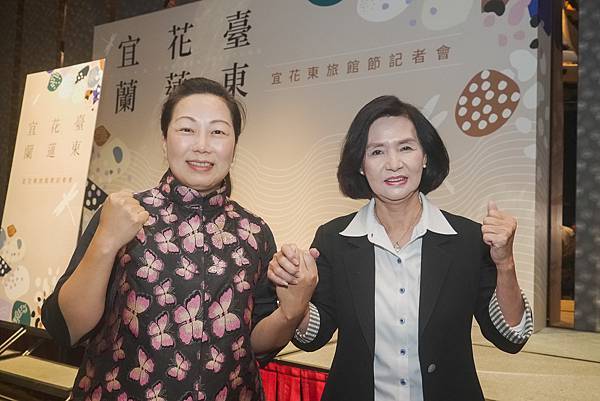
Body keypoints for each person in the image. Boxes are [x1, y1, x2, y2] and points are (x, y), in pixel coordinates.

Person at [42, 77, 317, 401]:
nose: (202, 145)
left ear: (234, 146)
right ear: (164, 140)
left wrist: (290, 312)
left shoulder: (253, 232)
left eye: (218, 132)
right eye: (187, 129)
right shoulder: (123, 214)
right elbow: (67, 328)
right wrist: (105, 242)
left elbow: (252, 342)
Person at [268, 96, 533, 401]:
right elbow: (314, 336)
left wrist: (505, 263)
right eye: (377, 151)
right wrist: (296, 299)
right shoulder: (334, 239)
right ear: (361, 166)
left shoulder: (467, 240)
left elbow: (510, 337)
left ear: (425, 156)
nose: (393, 163)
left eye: (406, 148)